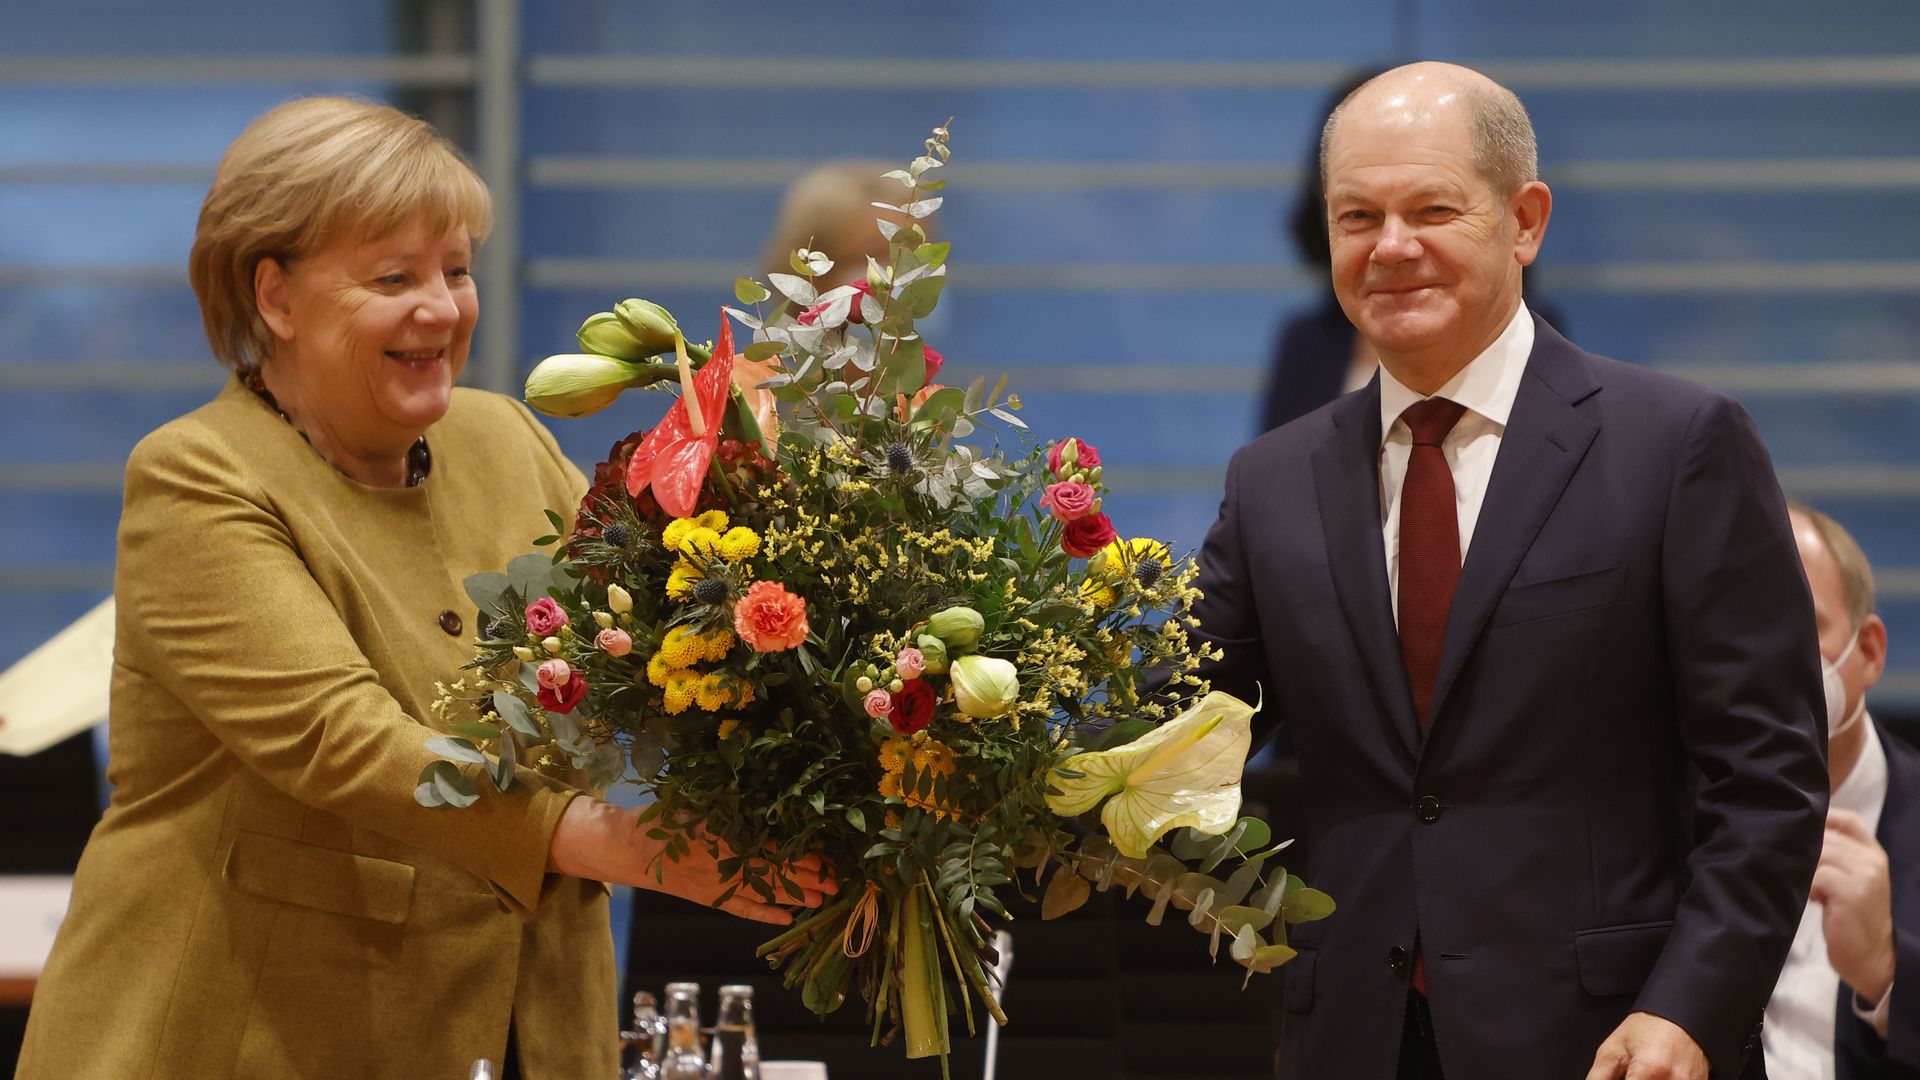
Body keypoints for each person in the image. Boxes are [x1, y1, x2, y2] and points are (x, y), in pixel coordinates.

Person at [14, 97, 830, 1080]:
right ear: (274, 297)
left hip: (527, 1027)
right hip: (245, 1038)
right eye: (393, 276)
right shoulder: (197, 478)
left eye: (455, 269)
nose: (442, 307)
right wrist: (626, 845)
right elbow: (341, 743)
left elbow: (658, 639)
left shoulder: (505, 441)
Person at [1183, 62, 1826, 1079]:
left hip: (1613, 1044)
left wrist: (1692, 1010)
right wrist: (937, 731)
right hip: (1351, 1037)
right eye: (1358, 216)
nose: (1391, 247)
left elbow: (1769, 782)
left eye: (1431, 209)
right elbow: (1172, 743)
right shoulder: (1272, 479)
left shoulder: (1678, 445)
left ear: (1525, 221)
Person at [1766, 503, 1917, 1079]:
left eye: (1800, 624)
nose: (1765, 662)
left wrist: (1886, 977)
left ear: (1870, 652)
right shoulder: (1651, 823)